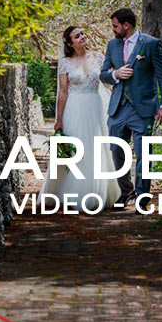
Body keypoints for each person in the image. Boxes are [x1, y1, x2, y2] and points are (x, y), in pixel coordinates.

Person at [39, 26, 121, 212]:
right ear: (70, 43)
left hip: (94, 105)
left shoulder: (99, 57)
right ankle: (70, 192)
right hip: (74, 107)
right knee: (75, 150)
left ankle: (95, 191)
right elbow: (63, 92)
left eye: (82, 33)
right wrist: (58, 119)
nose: (82, 37)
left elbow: (109, 79)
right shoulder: (65, 63)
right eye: (77, 36)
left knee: (95, 148)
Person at [99, 8, 162, 211]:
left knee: (143, 155)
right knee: (116, 152)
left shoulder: (150, 44)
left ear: (126, 25)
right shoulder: (112, 44)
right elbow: (103, 74)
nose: (113, 29)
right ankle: (126, 191)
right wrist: (116, 75)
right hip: (118, 108)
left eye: (115, 25)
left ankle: (142, 195)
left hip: (143, 108)